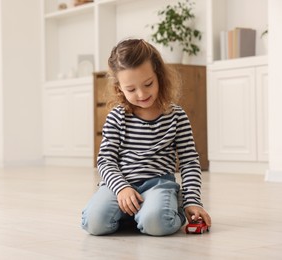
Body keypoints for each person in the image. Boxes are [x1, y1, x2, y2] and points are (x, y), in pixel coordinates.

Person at [81, 38, 212, 236]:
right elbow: (105, 160)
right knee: (94, 223)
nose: (141, 94)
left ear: (159, 76)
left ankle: (162, 209)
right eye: (131, 89)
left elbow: (189, 161)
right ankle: (139, 214)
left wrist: (192, 200)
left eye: (148, 84)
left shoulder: (176, 115)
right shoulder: (117, 117)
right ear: (119, 89)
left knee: (157, 224)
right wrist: (121, 188)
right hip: (120, 184)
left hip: (158, 184)